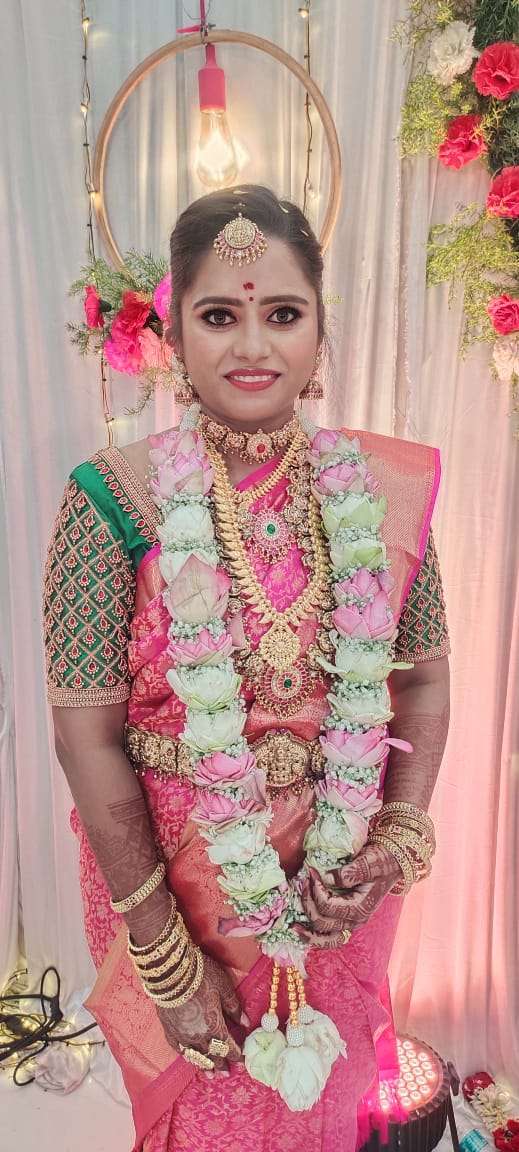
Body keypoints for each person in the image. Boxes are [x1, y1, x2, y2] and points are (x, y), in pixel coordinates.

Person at [43, 184, 451, 1151]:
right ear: (173, 337)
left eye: (283, 314)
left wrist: (394, 837)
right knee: (205, 1122)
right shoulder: (111, 499)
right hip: (174, 898)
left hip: (337, 886)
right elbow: (84, 736)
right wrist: (165, 956)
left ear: (319, 331)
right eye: (219, 316)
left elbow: (423, 679)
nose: (252, 345)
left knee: (329, 1110)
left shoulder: (380, 490)